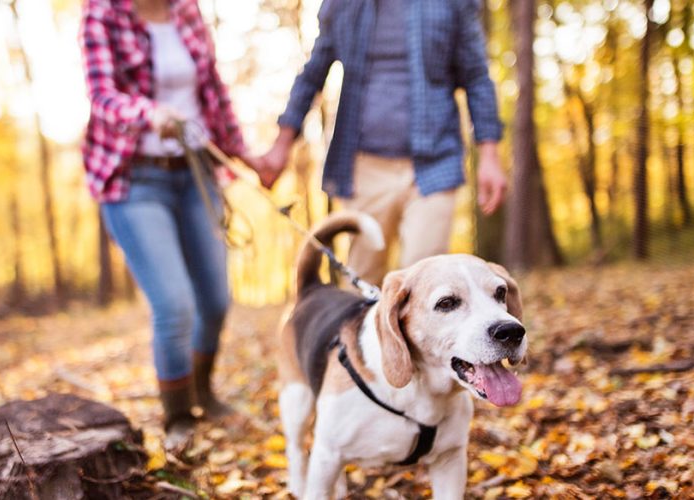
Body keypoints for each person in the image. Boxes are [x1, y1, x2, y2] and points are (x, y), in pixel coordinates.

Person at [80, 0, 254, 450]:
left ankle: (203, 391)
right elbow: (101, 96)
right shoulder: (103, 14)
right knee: (174, 305)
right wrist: (147, 113)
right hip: (134, 178)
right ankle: (177, 415)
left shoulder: (186, 11)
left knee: (215, 301)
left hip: (195, 171)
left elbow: (212, 87)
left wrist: (243, 152)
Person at [257, 0, 508, 286]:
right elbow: (312, 74)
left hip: (435, 163)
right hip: (364, 166)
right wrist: (281, 145)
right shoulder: (343, 5)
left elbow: (476, 77)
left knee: (426, 282)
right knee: (362, 282)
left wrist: (490, 156)